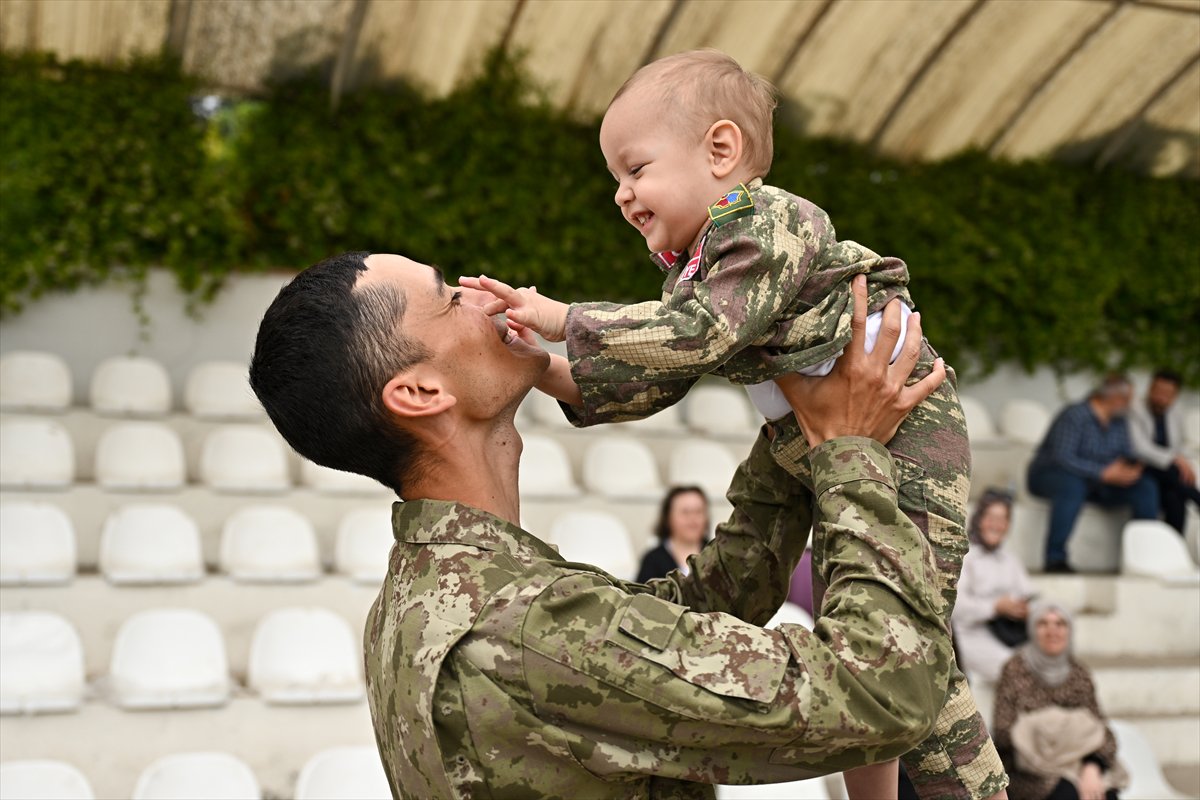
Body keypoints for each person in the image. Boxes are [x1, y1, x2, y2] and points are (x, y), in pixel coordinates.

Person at [460, 49, 1004, 799]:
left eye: (635, 168)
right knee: (861, 635)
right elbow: (663, 374)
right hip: (805, 442)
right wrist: (544, 367)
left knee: (907, 636)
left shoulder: (767, 223)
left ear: (721, 149)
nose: (622, 195)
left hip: (905, 432)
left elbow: (699, 334)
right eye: (616, 179)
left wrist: (561, 318)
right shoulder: (698, 262)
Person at [248, 251, 957, 799]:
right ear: (420, 392)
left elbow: (681, 625)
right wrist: (847, 454)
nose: (480, 292)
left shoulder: (440, 595)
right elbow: (883, 693)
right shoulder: (519, 625)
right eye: (447, 298)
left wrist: (792, 423)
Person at [1027, 375, 1159, 573]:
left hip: (1098, 482)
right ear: (1116, 398)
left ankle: (1142, 558)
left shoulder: (1119, 422)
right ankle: (1055, 559)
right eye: (1129, 399)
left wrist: (1130, 467)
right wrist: (1102, 473)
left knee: (1145, 487)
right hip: (1051, 476)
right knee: (1072, 486)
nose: (1131, 404)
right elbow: (1063, 458)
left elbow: (1124, 451)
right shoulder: (1074, 415)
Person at [993, 603, 1125, 800]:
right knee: (1067, 794)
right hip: (1028, 771)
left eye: (1060, 624)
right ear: (1032, 629)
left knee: (1103, 793)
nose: (1052, 631)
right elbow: (1003, 732)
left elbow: (1102, 732)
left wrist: (1092, 766)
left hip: (1076, 764)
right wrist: (1058, 734)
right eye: (1043, 623)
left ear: (1069, 631)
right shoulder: (1014, 669)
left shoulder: (1079, 673)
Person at [952, 490, 1035, 683]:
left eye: (1003, 519)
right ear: (979, 519)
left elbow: (1028, 594)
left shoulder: (1010, 560)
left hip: (1007, 633)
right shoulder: (966, 557)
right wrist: (995, 607)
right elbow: (956, 607)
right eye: (991, 517)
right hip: (972, 636)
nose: (996, 525)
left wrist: (1024, 609)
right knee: (1016, 670)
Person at [1128, 369, 1200, 534]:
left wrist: (1183, 460)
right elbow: (1138, 447)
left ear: (1175, 395)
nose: (1160, 398)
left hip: (1166, 472)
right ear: (1150, 389)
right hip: (1141, 465)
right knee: (1176, 472)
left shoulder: (1176, 411)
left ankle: (1174, 548)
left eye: (1167, 394)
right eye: (1157, 391)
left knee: (1175, 496)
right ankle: (1197, 498)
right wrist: (1175, 459)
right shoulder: (1134, 409)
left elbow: (1179, 444)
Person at [636, 485, 710, 582]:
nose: (693, 519)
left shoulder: (718, 555)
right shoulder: (652, 560)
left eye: (698, 512)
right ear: (668, 517)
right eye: (685, 512)